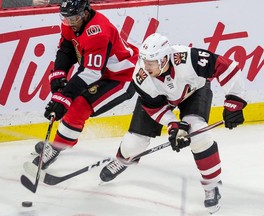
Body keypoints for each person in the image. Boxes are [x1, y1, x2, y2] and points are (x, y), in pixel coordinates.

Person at [99, 33, 247, 214]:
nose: (146, 66)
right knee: (133, 144)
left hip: (194, 92)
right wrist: (173, 125)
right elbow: (155, 108)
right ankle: (123, 160)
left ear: (164, 59)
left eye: (151, 62)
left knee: (200, 135)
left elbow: (227, 67)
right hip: (162, 101)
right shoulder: (141, 76)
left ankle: (212, 185)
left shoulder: (188, 59)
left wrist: (234, 102)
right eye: (144, 60)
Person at [32, 0, 138, 170]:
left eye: (74, 18)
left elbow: (91, 73)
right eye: (66, 19)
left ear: (86, 13)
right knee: (71, 100)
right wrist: (58, 76)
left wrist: (64, 97)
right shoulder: (71, 23)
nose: (69, 23)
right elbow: (66, 50)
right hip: (101, 73)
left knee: (79, 105)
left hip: (121, 77)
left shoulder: (99, 32)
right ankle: (59, 142)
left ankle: (56, 148)